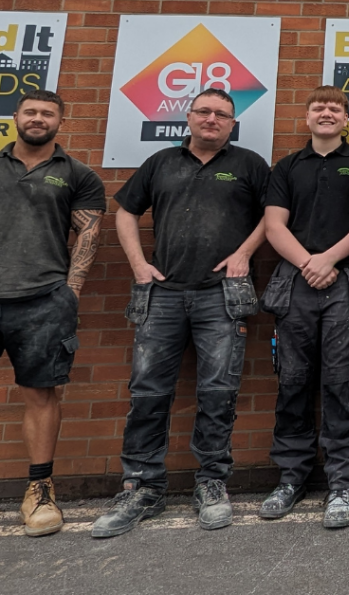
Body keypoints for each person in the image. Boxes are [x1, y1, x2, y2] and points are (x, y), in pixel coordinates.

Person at [92, 88, 269, 538]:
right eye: (204, 112)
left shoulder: (249, 164)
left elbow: (274, 216)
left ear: (233, 124)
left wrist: (244, 253)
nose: (212, 119)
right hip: (163, 294)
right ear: (188, 118)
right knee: (148, 392)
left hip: (222, 295)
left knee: (219, 391)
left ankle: (212, 483)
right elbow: (126, 213)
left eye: (221, 114)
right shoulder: (160, 163)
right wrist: (138, 265)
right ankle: (142, 488)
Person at [258, 87, 349, 528]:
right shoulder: (287, 167)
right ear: (306, 117)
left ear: (346, 119)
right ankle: (292, 476)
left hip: (347, 282)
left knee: (342, 381)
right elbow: (274, 224)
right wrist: (309, 262)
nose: (326, 113)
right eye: (318, 107)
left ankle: (342, 481)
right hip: (297, 281)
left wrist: (330, 259)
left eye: (335, 108)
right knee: (292, 380)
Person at [0, 91, 105, 537]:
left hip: (43, 300)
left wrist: (71, 290)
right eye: (31, 112)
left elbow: (88, 233)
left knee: (42, 395)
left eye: (47, 113)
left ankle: (40, 490)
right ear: (16, 118)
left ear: (62, 121)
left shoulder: (78, 175)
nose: (38, 119)